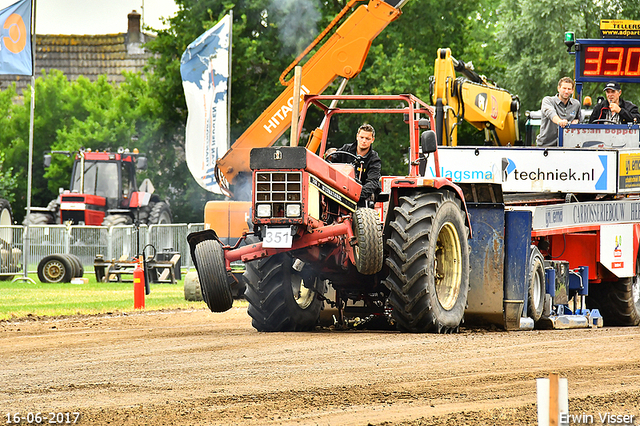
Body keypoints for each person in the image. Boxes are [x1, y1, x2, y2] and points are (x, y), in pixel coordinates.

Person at [332, 123, 381, 205]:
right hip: (340, 189)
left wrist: (357, 194)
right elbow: (330, 165)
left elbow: (372, 182)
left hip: (361, 196)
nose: (364, 141)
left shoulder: (374, 159)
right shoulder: (345, 150)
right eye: (362, 137)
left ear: (373, 140)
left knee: (369, 196)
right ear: (357, 136)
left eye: (367, 139)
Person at [537, 77, 582, 147]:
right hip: (546, 146)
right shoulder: (548, 101)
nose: (566, 91)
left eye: (569, 89)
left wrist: (576, 122)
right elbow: (551, 113)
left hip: (567, 146)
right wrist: (560, 121)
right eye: (564, 88)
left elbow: (579, 121)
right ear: (558, 88)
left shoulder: (576, 104)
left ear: (572, 90)